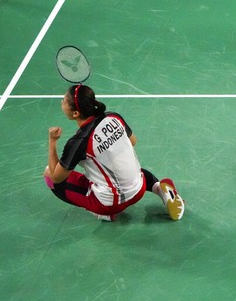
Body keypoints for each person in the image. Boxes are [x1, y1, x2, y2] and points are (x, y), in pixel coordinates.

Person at [44, 84, 184, 221]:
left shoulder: (79, 142)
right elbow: (132, 141)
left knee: (49, 175)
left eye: (64, 100)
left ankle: (103, 213)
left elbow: (56, 177)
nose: (61, 102)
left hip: (111, 204)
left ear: (75, 113)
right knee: (133, 171)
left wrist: (52, 141)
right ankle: (160, 189)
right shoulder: (113, 117)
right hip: (139, 189)